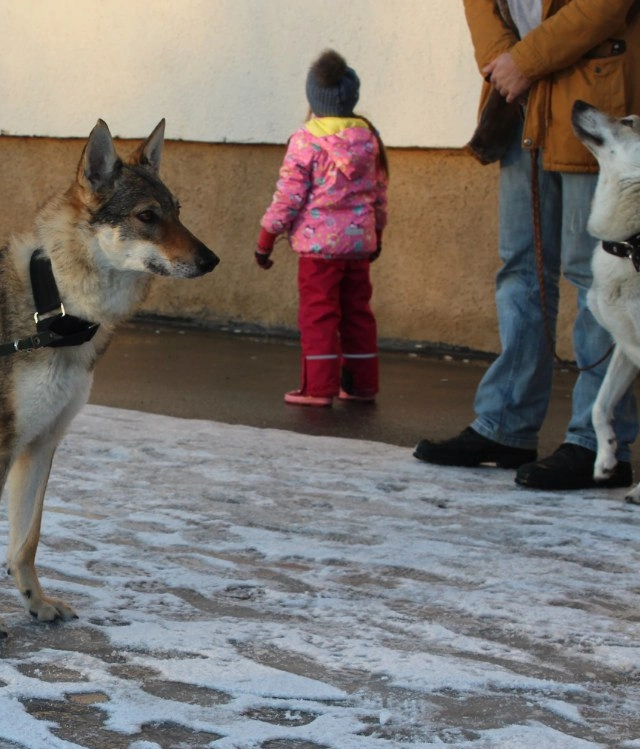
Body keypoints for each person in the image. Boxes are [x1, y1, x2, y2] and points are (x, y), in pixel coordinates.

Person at [415, 0, 640, 490]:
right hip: (521, 103)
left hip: (590, 94)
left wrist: (524, 61)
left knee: (594, 278)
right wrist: (503, 64)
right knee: (520, 268)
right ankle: (505, 426)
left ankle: (598, 444)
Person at [255, 49, 388, 407]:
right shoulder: (368, 139)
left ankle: (319, 388)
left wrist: (266, 238)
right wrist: (378, 234)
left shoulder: (305, 141)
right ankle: (362, 386)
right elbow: (378, 194)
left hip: (318, 250)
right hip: (359, 245)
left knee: (319, 314)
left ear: (314, 98)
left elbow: (289, 196)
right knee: (358, 313)